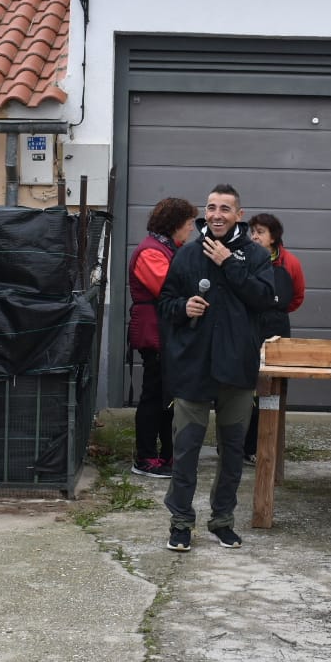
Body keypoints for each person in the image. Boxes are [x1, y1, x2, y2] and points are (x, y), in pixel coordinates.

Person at [157, 184, 278, 551]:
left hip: (236, 369)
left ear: (239, 215)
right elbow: (164, 302)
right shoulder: (187, 255)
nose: (216, 214)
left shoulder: (255, 255)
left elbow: (264, 299)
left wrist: (229, 262)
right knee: (187, 450)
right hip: (194, 368)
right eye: (211, 208)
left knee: (232, 450)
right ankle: (180, 523)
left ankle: (222, 520)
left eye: (225, 208)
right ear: (204, 213)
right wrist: (183, 308)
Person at [127, 197, 199, 479]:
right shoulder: (151, 252)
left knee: (164, 396)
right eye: (189, 223)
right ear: (175, 224)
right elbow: (170, 288)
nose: (191, 229)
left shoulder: (166, 249)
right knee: (153, 395)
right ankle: (145, 457)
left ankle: (163, 454)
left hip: (164, 331)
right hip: (154, 332)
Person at [243, 213, 306, 464]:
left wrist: (274, 315)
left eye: (260, 232)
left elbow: (297, 297)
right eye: (253, 232)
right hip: (249, 327)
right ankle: (237, 445)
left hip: (277, 330)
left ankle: (264, 445)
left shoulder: (290, 263)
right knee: (245, 388)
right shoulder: (244, 257)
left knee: (271, 389)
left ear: (273, 237)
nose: (255, 237)